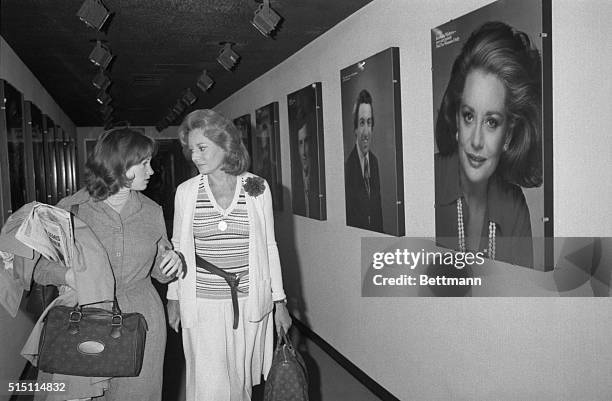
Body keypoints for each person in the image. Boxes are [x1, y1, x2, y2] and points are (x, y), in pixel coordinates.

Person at [33, 127, 184, 401]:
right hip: (84, 318)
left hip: (141, 323)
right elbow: (41, 268)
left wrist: (170, 264)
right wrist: (69, 276)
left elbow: (158, 273)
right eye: (144, 163)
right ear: (120, 164)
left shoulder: (152, 212)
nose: (151, 171)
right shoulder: (72, 208)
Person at [167, 109, 292, 401]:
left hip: (248, 301)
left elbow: (269, 247)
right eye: (191, 149)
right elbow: (177, 248)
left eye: (202, 148)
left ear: (226, 145)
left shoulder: (256, 187)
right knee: (209, 386)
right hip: (202, 302)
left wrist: (280, 301)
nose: (195, 156)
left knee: (241, 383)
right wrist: (173, 296)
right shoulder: (186, 192)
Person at [434, 21, 542, 268]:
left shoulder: (514, 206)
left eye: (492, 122)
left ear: (508, 135)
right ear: (456, 118)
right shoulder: (431, 176)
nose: (476, 141)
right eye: (469, 116)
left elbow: (519, 295)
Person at [344, 89, 383, 232]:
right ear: (355, 129)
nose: (366, 132)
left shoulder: (374, 162)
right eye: (361, 123)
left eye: (369, 122)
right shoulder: (347, 168)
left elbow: (377, 216)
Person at [292, 114, 319, 218]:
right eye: (300, 143)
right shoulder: (295, 183)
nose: (303, 152)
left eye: (306, 142)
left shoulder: (319, 180)